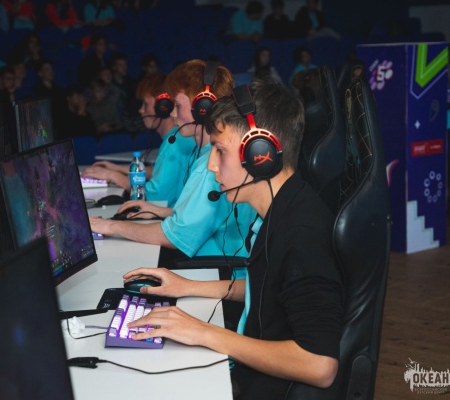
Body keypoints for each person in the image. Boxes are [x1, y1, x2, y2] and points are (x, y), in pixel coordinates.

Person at [122, 78, 343, 399]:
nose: (212, 166)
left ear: (260, 153)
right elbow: (268, 287)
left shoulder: (301, 234)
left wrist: (204, 332)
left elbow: (320, 365)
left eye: (220, 150)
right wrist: (187, 286)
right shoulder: (281, 210)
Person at [89, 59, 256, 264]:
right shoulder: (213, 155)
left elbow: (174, 237)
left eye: (177, 105)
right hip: (216, 260)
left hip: (213, 268)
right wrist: (160, 211)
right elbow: (204, 217)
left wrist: (110, 226)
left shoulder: (210, 166)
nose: (172, 113)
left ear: (203, 109)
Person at [82, 72, 196, 205]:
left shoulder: (175, 143)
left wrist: (113, 176)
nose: (141, 110)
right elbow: (162, 172)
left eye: (145, 104)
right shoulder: (177, 138)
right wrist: (117, 168)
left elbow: (154, 198)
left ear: (163, 107)